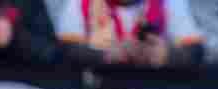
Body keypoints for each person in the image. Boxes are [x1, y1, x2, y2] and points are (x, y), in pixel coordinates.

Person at [55, 0, 205, 67]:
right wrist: (106, 56)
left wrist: (167, 55)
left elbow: (195, 51)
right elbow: (65, 50)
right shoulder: (80, 2)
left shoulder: (170, 2)